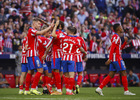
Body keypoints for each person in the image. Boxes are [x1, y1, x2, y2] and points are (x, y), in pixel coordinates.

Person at [95, 23, 136, 96]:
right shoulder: (116, 37)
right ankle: (126, 91)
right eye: (120, 27)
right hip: (116, 58)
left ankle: (99, 88)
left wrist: (125, 42)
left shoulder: (116, 37)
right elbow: (112, 49)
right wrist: (110, 59)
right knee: (123, 72)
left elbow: (119, 48)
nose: (122, 28)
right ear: (118, 29)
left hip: (114, 58)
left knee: (111, 74)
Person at [51, 20, 87, 95]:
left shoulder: (63, 37)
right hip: (71, 59)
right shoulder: (75, 40)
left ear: (69, 31)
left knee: (66, 75)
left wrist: (55, 26)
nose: (66, 31)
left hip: (64, 59)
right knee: (71, 76)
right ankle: (69, 91)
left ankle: (67, 90)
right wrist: (84, 52)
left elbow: (53, 34)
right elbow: (81, 49)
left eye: (67, 30)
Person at [24, 18, 54, 95]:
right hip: (33, 54)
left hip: (31, 53)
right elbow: (41, 32)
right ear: (33, 24)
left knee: (30, 72)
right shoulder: (32, 30)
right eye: (38, 24)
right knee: (40, 70)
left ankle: (26, 90)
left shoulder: (31, 32)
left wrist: (26, 46)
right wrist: (49, 27)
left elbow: (28, 40)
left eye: (40, 24)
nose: (39, 25)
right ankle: (33, 88)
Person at [73, 28, 87, 94]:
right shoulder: (81, 39)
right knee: (80, 73)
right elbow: (85, 48)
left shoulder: (69, 38)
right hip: (79, 57)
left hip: (71, 57)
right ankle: (78, 84)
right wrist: (83, 56)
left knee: (72, 74)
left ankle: (73, 88)